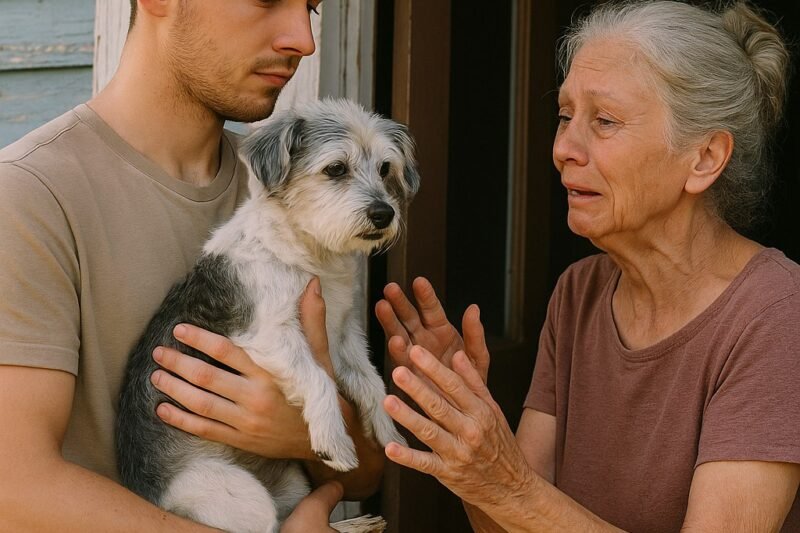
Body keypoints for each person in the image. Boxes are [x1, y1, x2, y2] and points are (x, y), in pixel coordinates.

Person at [376, 1, 800, 531]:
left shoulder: (776, 314)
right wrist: (467, 425)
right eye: (564, 116)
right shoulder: (579, 292)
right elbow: (508, 526)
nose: (563, 149)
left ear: (705, 157)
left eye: (604, 120)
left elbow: (522, 497)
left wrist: (509, 481)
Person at [0, 1, 384, 530]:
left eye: (311, 9)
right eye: (269, 1)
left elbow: (363, 477)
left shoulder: (304, 191)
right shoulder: (28, 197)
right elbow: (13, 485)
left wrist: (302, 429)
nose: (304, 39)